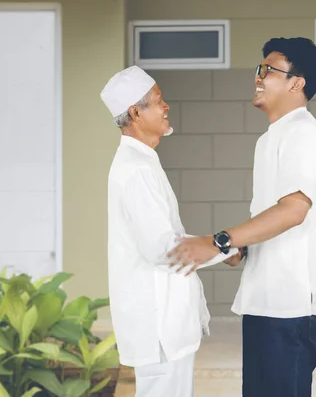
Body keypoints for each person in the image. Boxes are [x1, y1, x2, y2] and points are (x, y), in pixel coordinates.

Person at [168, 37, 316, 397]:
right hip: (265, 301)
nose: (258, 77)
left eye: (268, 70)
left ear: (296, 82)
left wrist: (220, 240)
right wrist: (239, 250)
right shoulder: (271, 139)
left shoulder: (303, 133)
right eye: (258, 70)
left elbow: (293, 211)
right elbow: (271, 218)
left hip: (291, 308)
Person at [100, 66, 242, 397]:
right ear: (136, 112)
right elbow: (163, 249)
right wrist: (226, 246)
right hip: (157, 321)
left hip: (163, 320)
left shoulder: (143, 162)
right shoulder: (136, 171)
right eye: (159, 101)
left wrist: (225, 250)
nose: (167, 107)